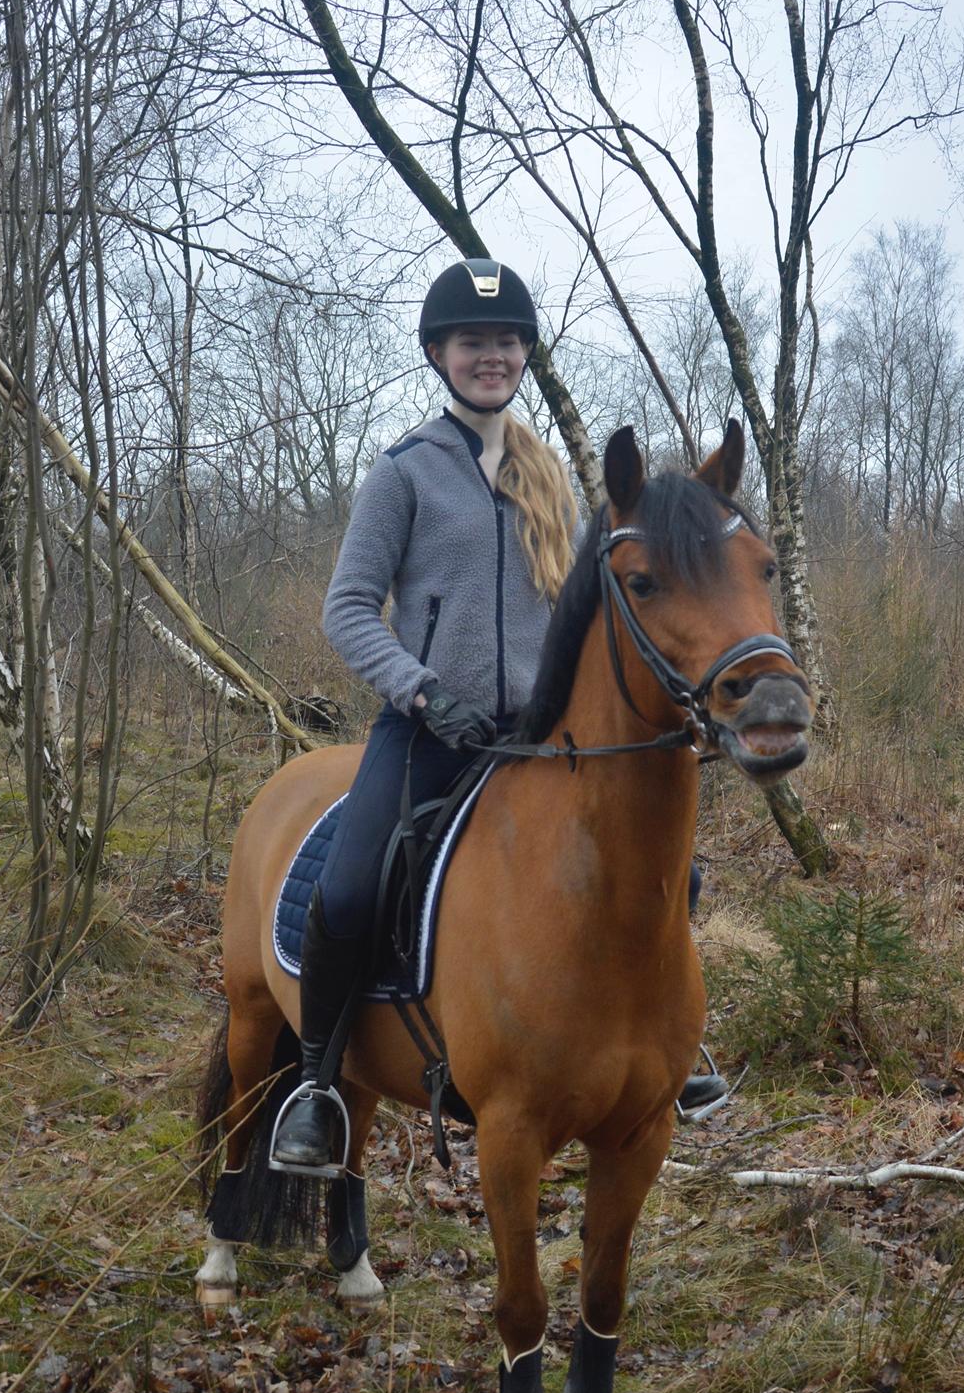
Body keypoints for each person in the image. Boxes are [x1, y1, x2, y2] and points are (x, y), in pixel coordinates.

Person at [271, 258, 721, 1177]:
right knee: (353, 889)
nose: (492, 356)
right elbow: (349, 609)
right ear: (440, 352)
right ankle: (318, 1086)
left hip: (539, 735)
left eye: (507, 342)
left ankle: (660, 1052)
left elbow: (589, 609)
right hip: (428, 728)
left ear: (524, 355)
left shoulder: (551, 475)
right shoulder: (401, 474)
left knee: (672, 880)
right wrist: (426, 689)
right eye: (474, 342)